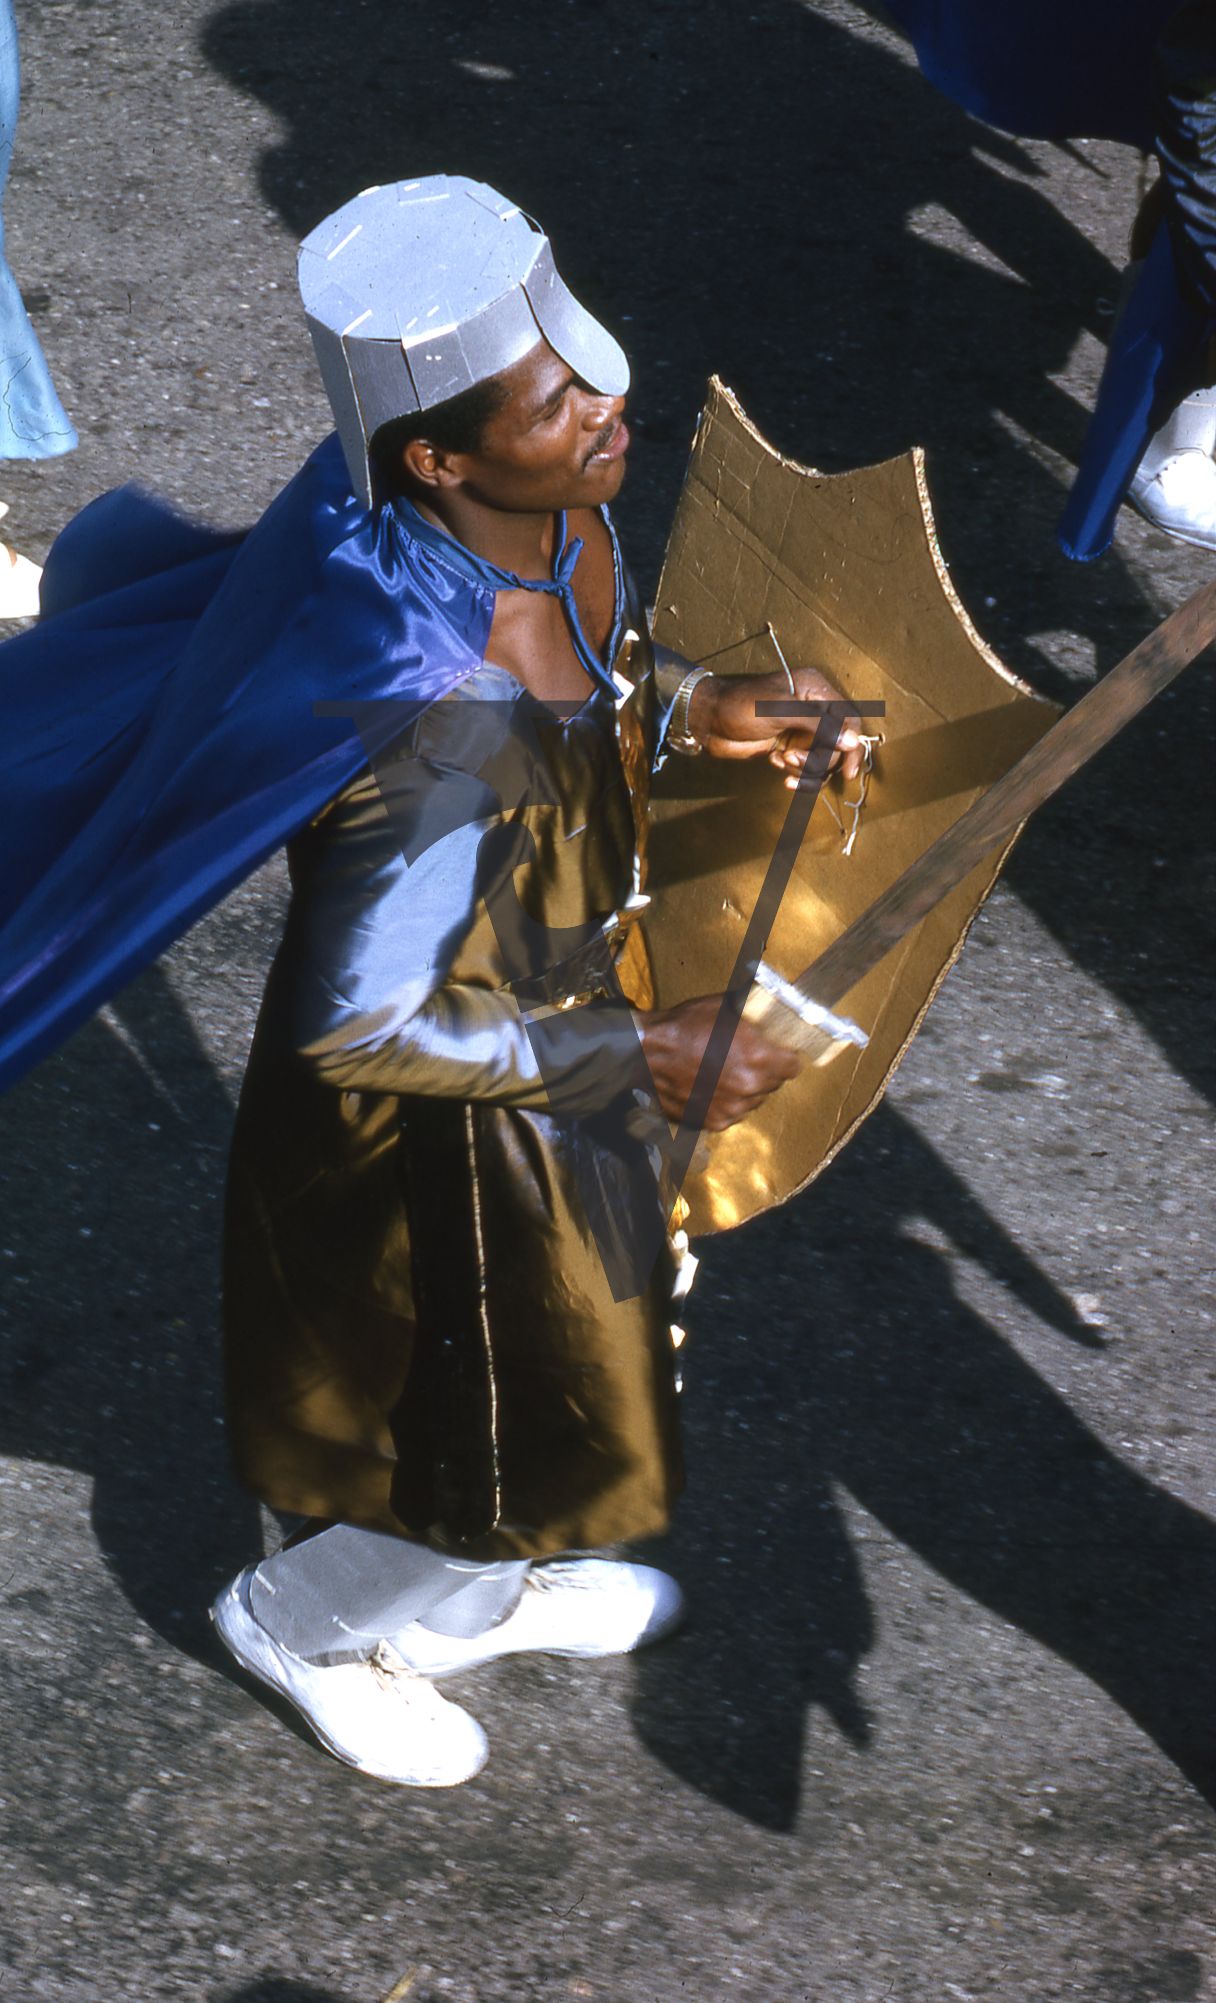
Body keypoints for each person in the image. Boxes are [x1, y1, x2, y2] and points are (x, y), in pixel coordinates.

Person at [206, 175, 863, 1787]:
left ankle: (480, 1592)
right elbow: (366, 1019)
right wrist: (640, 1051)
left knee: (593, 1380)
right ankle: (304, 1614)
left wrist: (703, 712)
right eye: (555, 398)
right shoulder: (437, 710)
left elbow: (602, 681)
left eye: (588, 370)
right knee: (488, 1424)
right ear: (434, 455)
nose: (603, 407)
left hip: (546, 1047)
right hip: (441, 1113)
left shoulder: (555, 518)